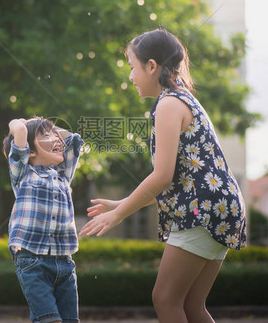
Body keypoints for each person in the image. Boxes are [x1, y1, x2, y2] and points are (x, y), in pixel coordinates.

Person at [79, 29, 247, 323]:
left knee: (165, 299)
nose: (130, 77)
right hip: (221, 208)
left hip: (202, 212)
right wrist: (121, 205)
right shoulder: (183, 99)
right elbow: (176, 183)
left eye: (132, 67)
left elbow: (162, 178)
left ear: (152, 66)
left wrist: (119, 216)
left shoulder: (169, 104)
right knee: (192, 307)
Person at [3, 117, 83, 323]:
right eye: (46, 136)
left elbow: (72, 138)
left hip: (64, 264)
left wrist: (45, 127)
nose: (56, 139)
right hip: (33, 261)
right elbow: (19, 130)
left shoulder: (63, 175)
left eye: (54, 134)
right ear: (30, 151)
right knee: (49, 320)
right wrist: (22, 125)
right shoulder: (23, 174)